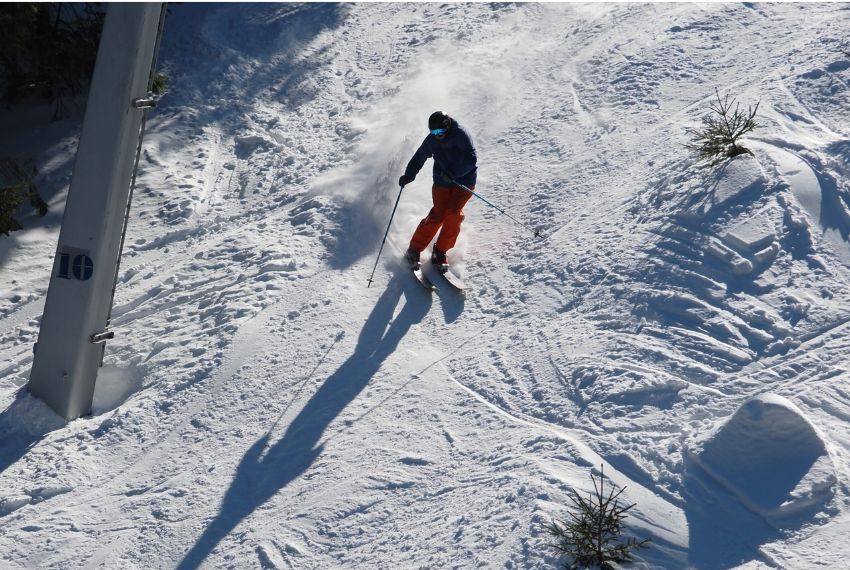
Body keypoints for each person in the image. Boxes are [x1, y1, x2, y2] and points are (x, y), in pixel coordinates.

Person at [398, 111, 477, 273]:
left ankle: (440, 252)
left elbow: (471, 159)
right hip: (441, 181)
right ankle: (414, 249)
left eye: (440, 132)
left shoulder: (460, 135)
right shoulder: (432, 140)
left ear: (447, 127)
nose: (437, 136)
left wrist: (455, 174)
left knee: (454, 214)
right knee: (438, 214)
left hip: (463, 182)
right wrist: (409, 174)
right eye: (433, 132)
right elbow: (420, 156)